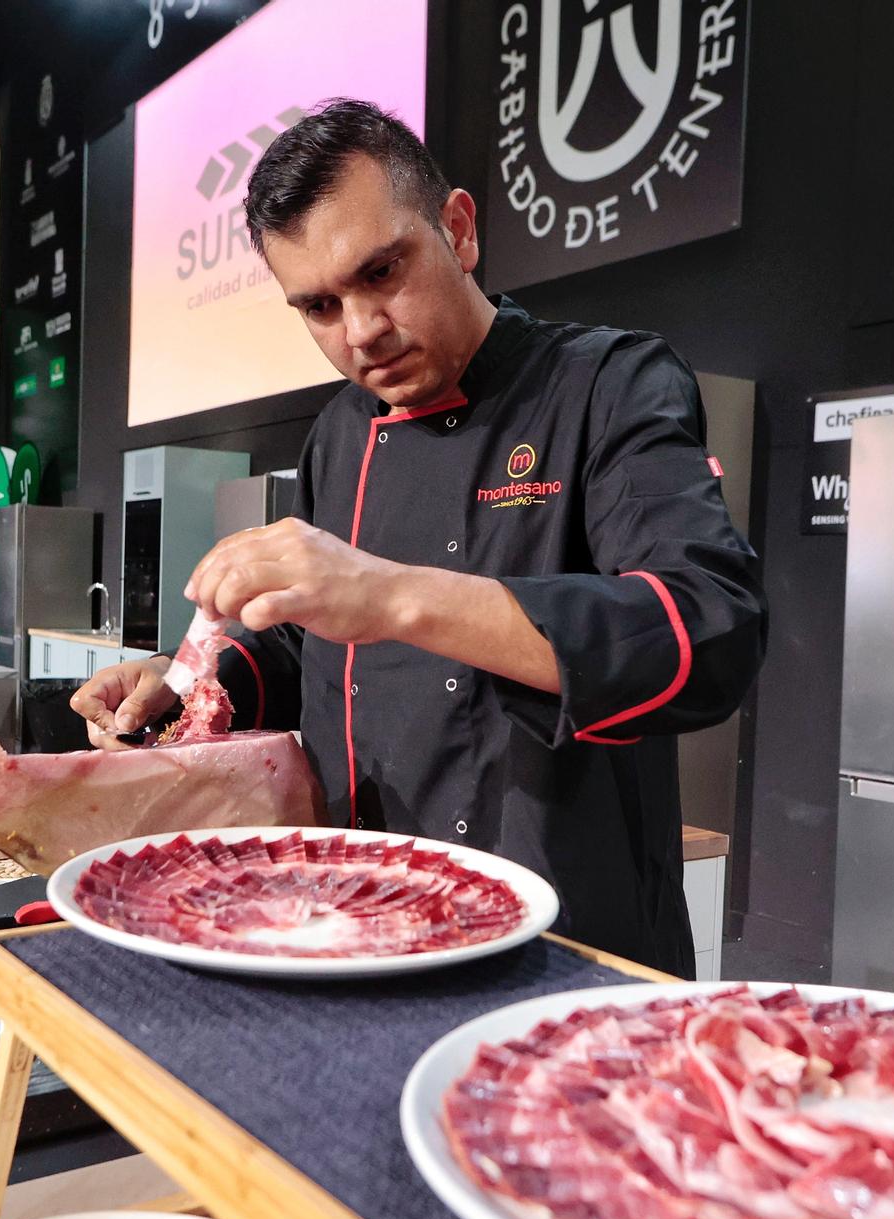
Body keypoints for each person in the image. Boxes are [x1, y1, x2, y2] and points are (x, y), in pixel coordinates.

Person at [71, 100, 766, 975]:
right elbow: (304, 650)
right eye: (320, 305)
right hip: (362, 928)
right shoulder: (340, 432)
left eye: (382, 272)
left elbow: (710, 628)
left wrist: (394, 595)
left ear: (460, 231)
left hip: (568, 949)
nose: (360, 330)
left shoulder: (607, 383)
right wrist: (188, 690)